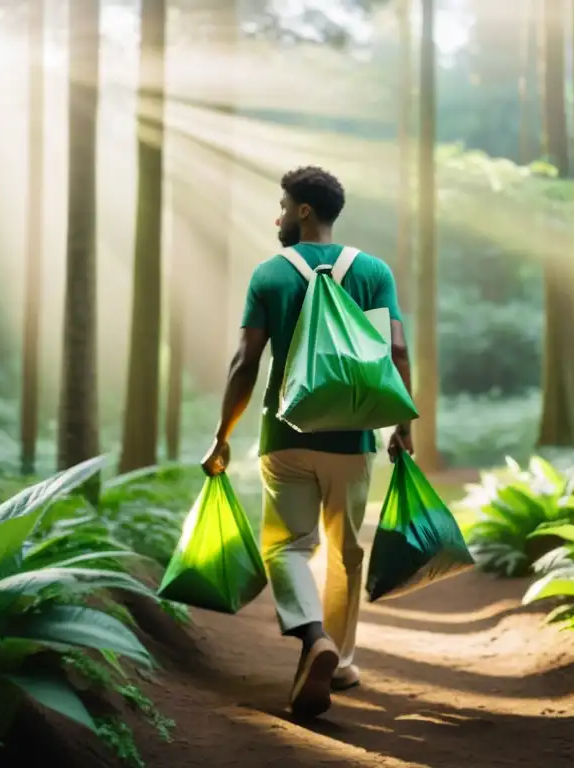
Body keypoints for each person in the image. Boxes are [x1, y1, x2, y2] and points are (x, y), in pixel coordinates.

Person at [200, 166, 414, 719]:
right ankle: (339, 661)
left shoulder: (270, 275)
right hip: (352, 437)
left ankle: (310, 635)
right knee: (344, 551)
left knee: (287, 545)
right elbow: (395, 352)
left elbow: (246, 362)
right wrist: (402, 426)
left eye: (282, 205)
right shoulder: (372, 271)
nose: (277, 216)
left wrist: (222, 434)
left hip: (285, 434)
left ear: (303, 211)